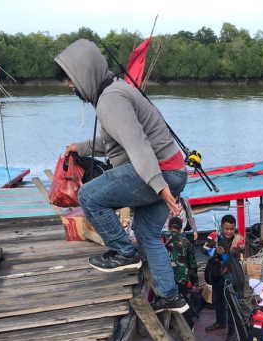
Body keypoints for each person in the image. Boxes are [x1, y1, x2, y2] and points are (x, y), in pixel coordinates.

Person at [55, 38, 188, 313]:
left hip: (158, 173)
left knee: (89, 196)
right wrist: (79, 148)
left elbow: (137, 144)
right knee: (147, 234)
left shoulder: (111, 101)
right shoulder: (116, 92)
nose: (71, 86)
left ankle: (124, 253)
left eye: (71, 79)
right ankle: (170, 296)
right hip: (173, 171)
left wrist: (159, 186)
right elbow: (114, 142)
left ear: (85, 74)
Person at [203, 214, 245, 331]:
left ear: (234, 228)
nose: (229, 231)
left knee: (232, 301)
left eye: (231, 229)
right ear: (221, 227)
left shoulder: (239, 239)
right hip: (217, 272)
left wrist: (231, 251)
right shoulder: (214, 236)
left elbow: (241, 254)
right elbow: (204, 249)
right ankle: (220, 323)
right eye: (226, 229)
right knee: (218, 298)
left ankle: (233, 328)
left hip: (232, 273)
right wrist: (215, 251)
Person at [162, 216, 201, 324]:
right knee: (181, 300)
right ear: (180, 228)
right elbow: (193, 265)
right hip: (181, 278)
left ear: (169, 227)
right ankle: (189, 324)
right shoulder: (186, 241)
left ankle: (168, 324)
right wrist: (195, 283)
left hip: (164, 277)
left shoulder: (162, 238)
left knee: (165, 301)